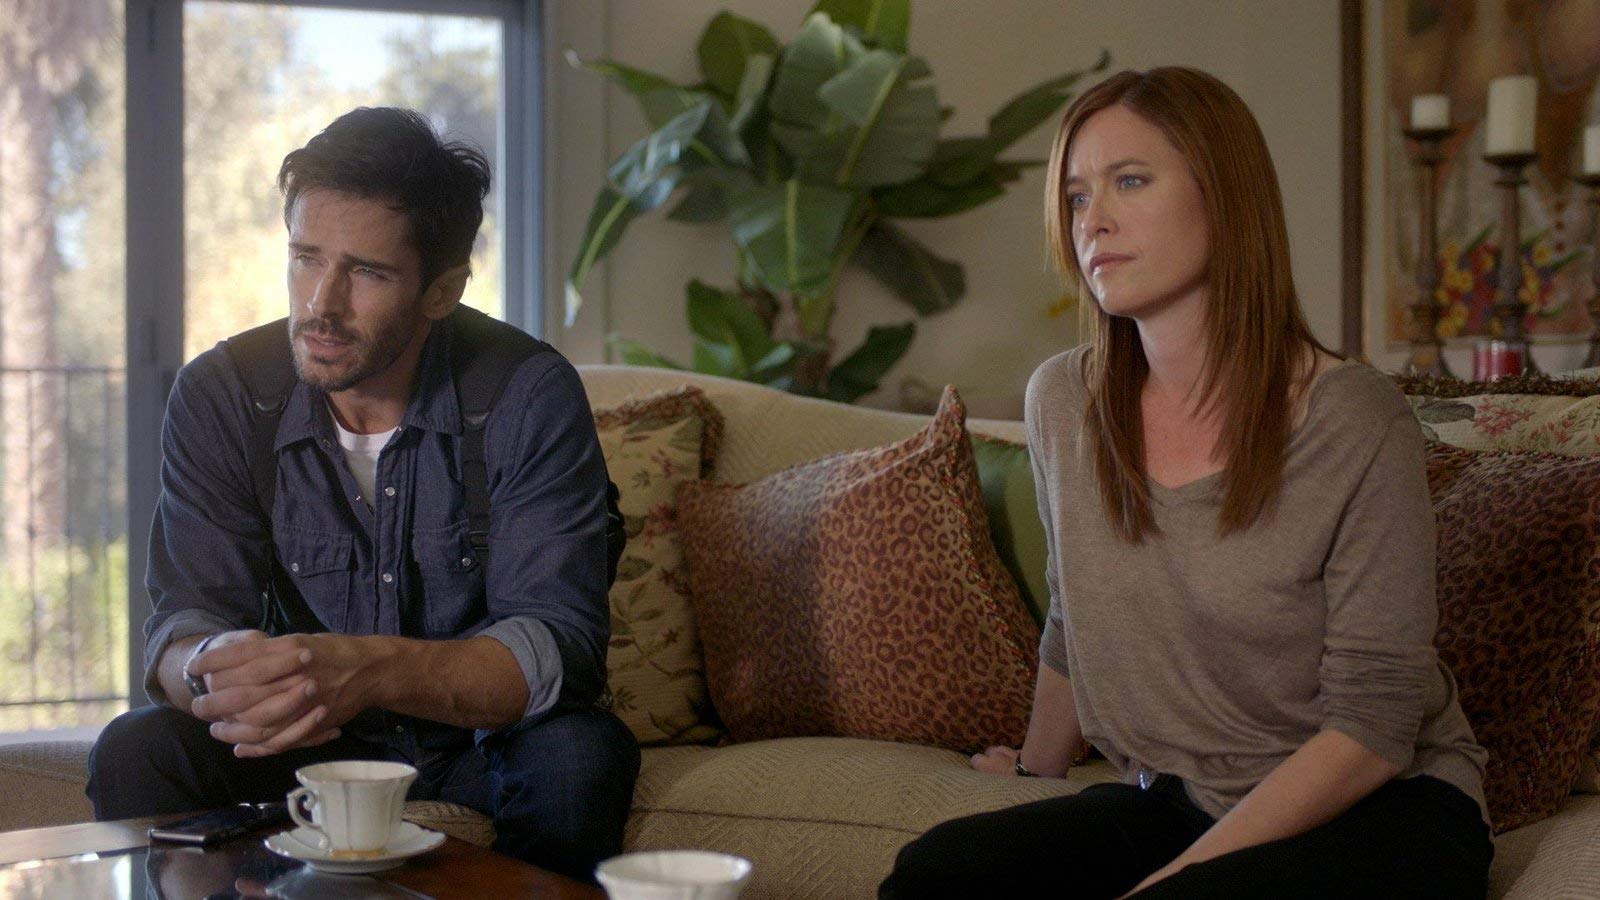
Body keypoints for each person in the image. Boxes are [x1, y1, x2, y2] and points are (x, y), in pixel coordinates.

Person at [879, 68, 1492, 899]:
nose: (1093, 220)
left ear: (1225, 194)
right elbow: (1073, 615)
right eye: (1076, 196)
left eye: (1130, 181)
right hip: (1185, 799)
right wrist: (1032, 771)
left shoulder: (1353, 417)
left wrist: (1167, 882)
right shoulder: (1061, 400)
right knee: (937, 875)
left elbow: (1374, 728)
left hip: (1385, 809)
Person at [87, 107, 639, 883]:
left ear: (442, 290)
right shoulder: (224, 394)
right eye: (305, 258)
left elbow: (557, 649)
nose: (321, 303)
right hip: (304, 742)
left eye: (367, 273)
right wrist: (217, 668)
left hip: (478, 743)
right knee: (138, 747)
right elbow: (182, 626)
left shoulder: (526, 392)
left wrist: (368, 669)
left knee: (579, 756)